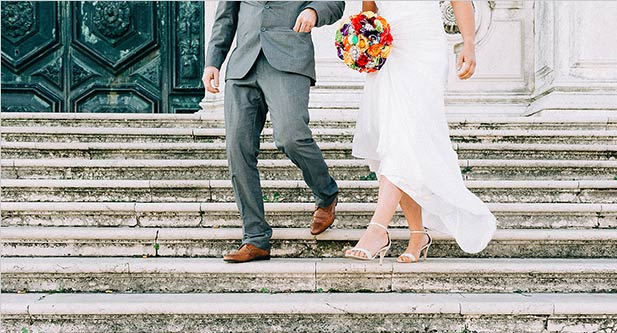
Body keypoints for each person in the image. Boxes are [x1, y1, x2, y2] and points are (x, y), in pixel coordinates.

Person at [345, 0, 497, 264]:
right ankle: (418, 234)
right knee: (395, 139)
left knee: (405, 136)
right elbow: (368, 11)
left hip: (423, 47)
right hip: (389, 52)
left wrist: (469, 44)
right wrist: (362, 44)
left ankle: (377, 229)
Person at [203, 1, 345, 263]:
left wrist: (314, 12)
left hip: (289, 58)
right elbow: (226, 16)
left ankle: (326, 193)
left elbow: (335, 2)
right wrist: (213, 61)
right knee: (238, 150)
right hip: (242, 65)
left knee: (290, 136)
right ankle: (255, 237)